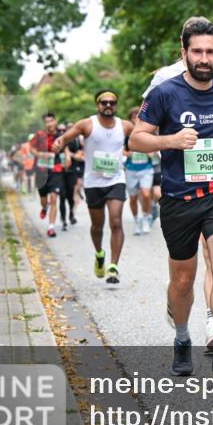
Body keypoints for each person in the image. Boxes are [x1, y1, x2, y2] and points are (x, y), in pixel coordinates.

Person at [130, 16, 213, 378]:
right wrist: (170, 140)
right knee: (183, 280)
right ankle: (182, 338)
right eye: (197, 51)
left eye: (210, 52)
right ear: (184, 53)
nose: (204, 58)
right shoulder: (164, 92)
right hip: (179, 198)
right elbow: (137, 138)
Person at [53, 91, 133, 284]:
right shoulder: (87, 124)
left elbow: (141, 137)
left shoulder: (125, 125)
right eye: (104, 102)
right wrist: (60, 142)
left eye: (112, 103)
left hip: (116, 179)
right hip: (93, 182)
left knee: (115, 221)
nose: (108, 105)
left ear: (116, 105)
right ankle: (99, 254)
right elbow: (67, 136)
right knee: (97, 226)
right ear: (97, 105)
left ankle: (113, 267)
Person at [30, 114, 65, 237]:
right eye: (47, 121)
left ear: (55, 121)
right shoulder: (39, 135)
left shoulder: (61, 136)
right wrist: (40, 154)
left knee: (54, 198)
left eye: (51, 121)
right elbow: (31, 148)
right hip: (41, 170)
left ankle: (51, 227)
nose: (49, 123)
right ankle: (44, 208)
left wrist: (67, 157)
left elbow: (65, 150)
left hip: (56, 170)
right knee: (44, 199)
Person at [124, 106, 155, 236]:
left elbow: (153, 152)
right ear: (130, 119)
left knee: (146, 194)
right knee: (133, 198)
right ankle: (137, 221)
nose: (136, 119)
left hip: (146, 169)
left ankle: (146, 218)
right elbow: (120, 150)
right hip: (130, 169)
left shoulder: (147, 133)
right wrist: (128, 154)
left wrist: (148, 152)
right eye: (133, 117)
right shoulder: (126, 135)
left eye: (138, 117)